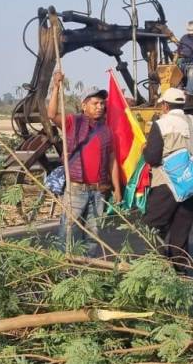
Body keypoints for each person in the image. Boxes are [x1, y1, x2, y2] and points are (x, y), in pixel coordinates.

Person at [47, 72, 121, 256]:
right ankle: (66, 272)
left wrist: (117, 188)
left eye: (102, 103)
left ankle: (87, 272)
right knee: (68, 233)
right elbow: (51, 114)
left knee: (93, 235)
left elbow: (112, 161)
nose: (100, 107)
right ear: (84, 105)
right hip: (76, 189)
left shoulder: (106, 131)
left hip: (98, 191)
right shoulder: (73, 122)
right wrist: (56, 87)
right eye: (95, 103)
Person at [142, 88, 193, 272]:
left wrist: (144, 149)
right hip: (190, 186)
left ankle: (157, 269)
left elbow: (153, 158)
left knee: (152, 227)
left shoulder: (161, 124)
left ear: (165, 105)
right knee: (181, 231)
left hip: (166, 185)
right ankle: (180, 271)